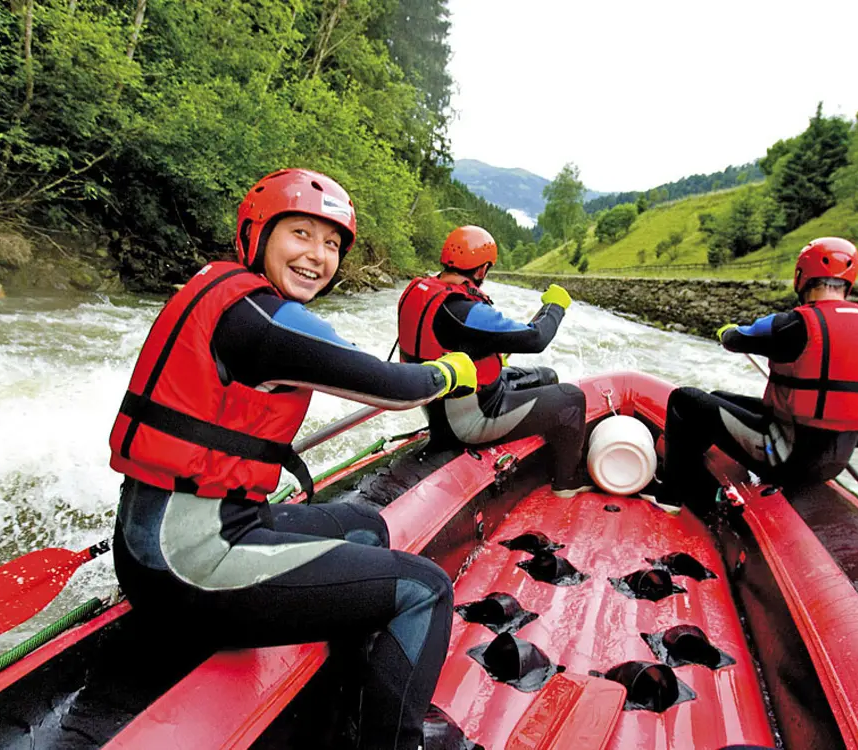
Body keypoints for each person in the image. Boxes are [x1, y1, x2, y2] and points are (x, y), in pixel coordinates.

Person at [108, 168, 478, 750]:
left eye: (332, 243)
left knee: (366, 525)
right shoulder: (258, 319)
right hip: (187, 558)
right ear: (257, 234)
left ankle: (359, 694)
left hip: (182, 528)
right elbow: (392, 386)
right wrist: (449, 371)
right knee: (424, 590)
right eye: (300, 233)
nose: (318, 255)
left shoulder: (234, 297)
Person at [658, 237, 858, 515]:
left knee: (684, 401)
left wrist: (726, 332)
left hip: (783, 460)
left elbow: (736, 338)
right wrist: (853, 434)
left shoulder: (793, 325)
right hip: (833, 464)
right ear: (849, 282)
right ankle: (704, 474)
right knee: (719, 399)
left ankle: (677, 494)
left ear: (801, 277)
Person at [396, 225, 591, 498]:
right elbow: (536, 338)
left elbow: (457, 341)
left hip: (444, 408)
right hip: (469, 421)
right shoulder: (464, 310)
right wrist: (554, 307)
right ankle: (567, 482)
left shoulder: (425, 290)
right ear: (481, 270)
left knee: (547, 376)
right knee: (572, 400)